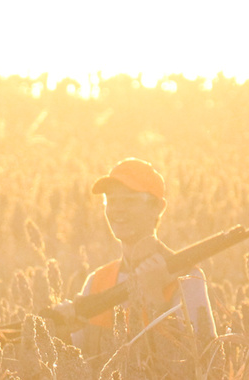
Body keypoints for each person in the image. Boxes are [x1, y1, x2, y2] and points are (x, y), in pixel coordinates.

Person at [52, 158, 217, 377]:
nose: (117, 210)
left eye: (129, 201)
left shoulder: (188, 280)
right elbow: (78, 366)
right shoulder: (97, 280)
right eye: (111, 201)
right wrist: (61, 333)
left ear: (157, 207)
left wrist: (155, 298)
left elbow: (204, 365)